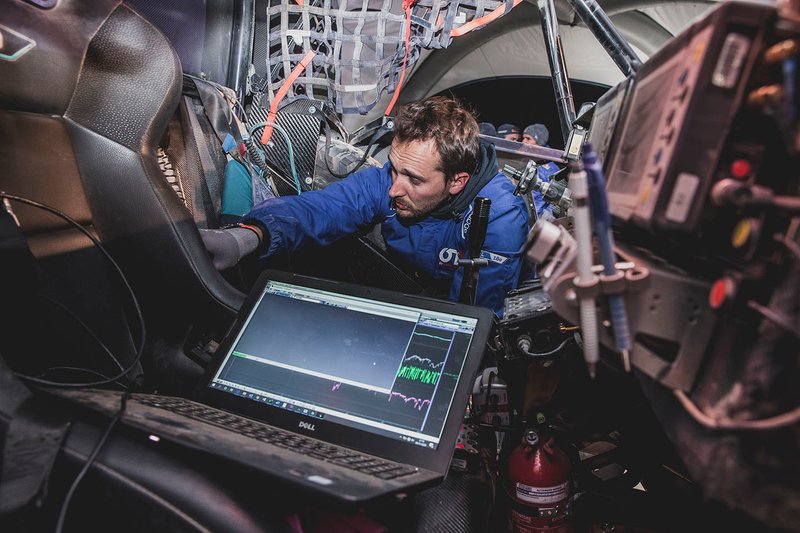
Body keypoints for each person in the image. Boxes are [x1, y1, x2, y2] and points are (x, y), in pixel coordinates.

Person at [200, 96, 530, 315]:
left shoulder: (498, 220)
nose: (394, 189)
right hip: (412, 284)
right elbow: (323, 209)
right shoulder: (392, 180)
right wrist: (249, 236)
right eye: (396, 169)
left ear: (456, 182)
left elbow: (472, 319)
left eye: (414, 180)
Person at [522, 123, 561, 219]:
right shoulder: (527, 161)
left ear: (538, 142)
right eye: (523, 138)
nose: (523, 141)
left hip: (540, 221)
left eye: (528, 139)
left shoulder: (549, 168)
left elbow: (552, 202)